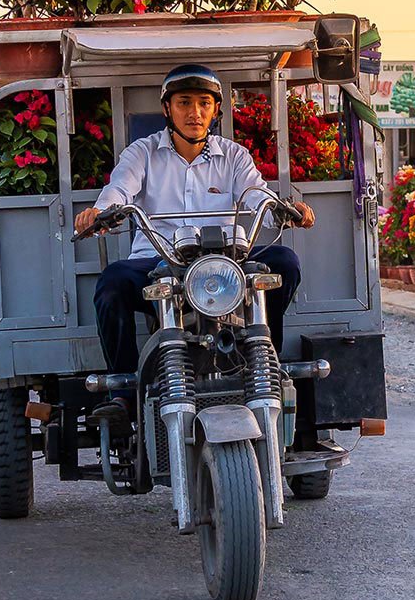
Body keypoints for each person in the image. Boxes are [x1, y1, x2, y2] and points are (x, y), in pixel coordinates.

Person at [74, 64, 315, 424]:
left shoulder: (233, 156)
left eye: (204, 103)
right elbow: (119, 190)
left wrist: (283, 212)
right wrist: (100, 212)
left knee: (285, 262)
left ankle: (266, 362)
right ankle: (123, 393)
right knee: (111, 284)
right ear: (167, 109)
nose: (195, 112)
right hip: (158, 264)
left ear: (216, 110)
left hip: (225, 264)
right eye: (184, 102)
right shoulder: (143, 152)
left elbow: (256, 195)